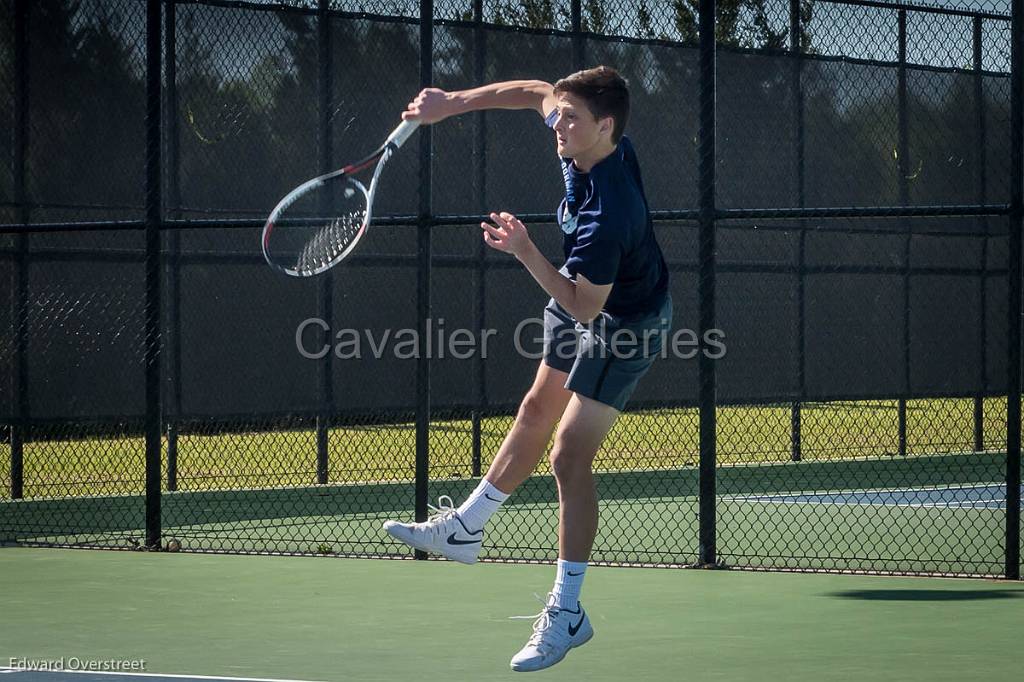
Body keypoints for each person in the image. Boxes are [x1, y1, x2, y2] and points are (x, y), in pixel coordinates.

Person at [383, 66, 671, 673]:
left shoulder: (608, 211)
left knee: (568, 454)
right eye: (561, 116)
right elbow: (531, 92)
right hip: (583, 292)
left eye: (570, 119)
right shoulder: (581, 135)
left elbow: (582, 305)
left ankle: (567, 614)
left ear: (605, 126)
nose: (557, 125)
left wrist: (525, 251)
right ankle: (465, 529)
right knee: (537, 408)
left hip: (624, 319)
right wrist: (449, 103)